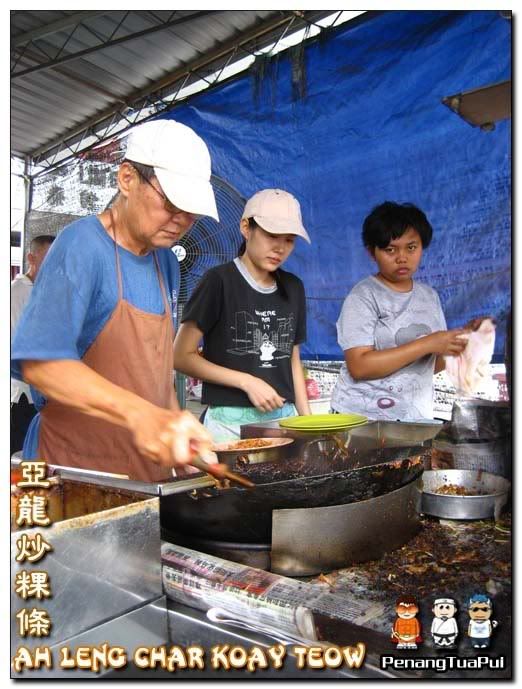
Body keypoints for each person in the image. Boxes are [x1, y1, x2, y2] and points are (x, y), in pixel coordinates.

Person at [11, 119, 218, 481]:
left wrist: (173, 425)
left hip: (143, 472)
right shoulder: (81, 247)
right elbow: (41, 364)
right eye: (171, 203)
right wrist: (141, 414)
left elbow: (154, 371)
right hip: (74, 468)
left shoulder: (165, 260)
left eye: (192, 210)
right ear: (127, 179)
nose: (182, 220)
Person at [173, 189, 312, 441]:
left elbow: (292, 358)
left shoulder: (294, 287)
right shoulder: (218, 281)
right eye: (271, 235)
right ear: (246, 228)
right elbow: (181, 356)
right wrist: (247, 382)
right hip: (228, 424)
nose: (280, 248)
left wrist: (307, 423)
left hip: (284, 420)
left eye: (289, 239)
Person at [330, 201, 468, 422]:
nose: (402, 257)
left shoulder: (429, 297)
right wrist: (428, 343)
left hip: (413, 419)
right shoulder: (363, 296)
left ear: (422, 246)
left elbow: (427, 367)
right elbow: (359, 366)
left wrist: (456, 347)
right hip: (361, 420)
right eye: (390, 249)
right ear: (371, 253)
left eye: (411, 247)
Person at [11, 234, 55, 455]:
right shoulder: (18, 292)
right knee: (22, 458)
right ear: (31, 258)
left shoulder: (44, 292)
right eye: (48, 259)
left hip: (38, 394)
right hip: (24, 395)